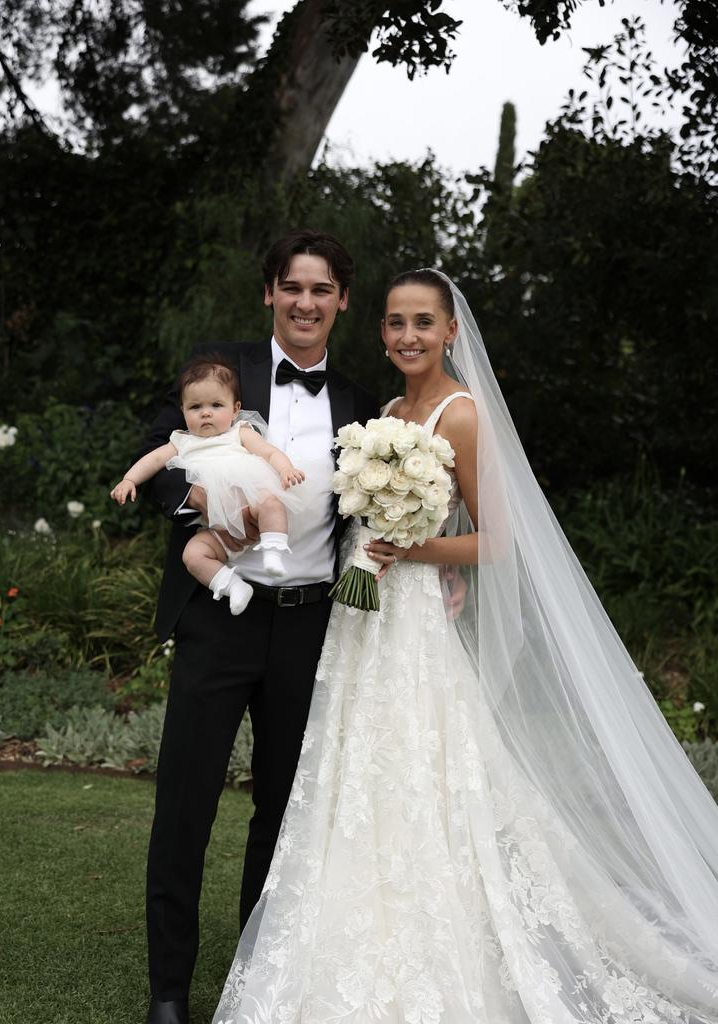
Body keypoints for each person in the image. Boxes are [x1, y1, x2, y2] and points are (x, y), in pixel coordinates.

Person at [212, 270, 718, 1023]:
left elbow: (497, 540)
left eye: (423, 322)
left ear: (452, 331)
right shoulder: (381, 413)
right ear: (379, 332)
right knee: (352, 775)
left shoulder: (462, 414)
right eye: (394, 323)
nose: (408, 336)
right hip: (361, 620)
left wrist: (413, 555)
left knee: (420, 771)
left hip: (409, 619)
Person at [140, 230, 379, 1024]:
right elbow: (159, 456)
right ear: (270, 294)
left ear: (342, 301)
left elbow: (368, 513)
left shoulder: (357, 400)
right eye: (292, 287)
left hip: (309, 627)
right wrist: (197, 501)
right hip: (220, 611)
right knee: (187, 800)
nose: (305, 302)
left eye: (321, 290)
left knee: (282, 807)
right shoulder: (221, 370)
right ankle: (169, 990)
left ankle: (257, 978)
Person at [110, 355, 309, 615]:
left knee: (271, 502)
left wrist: (285, 469)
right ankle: (233, 586)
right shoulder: (181, 441)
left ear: (235, 409)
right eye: (195, 407)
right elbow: (154, 459)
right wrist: (129, 479)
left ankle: (273, 551)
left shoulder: (240, 432)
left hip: (250, 505)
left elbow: (269, 453)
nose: (206, 412)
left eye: (216, 405)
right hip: (217, 528)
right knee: (192, 555)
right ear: (182, 410)